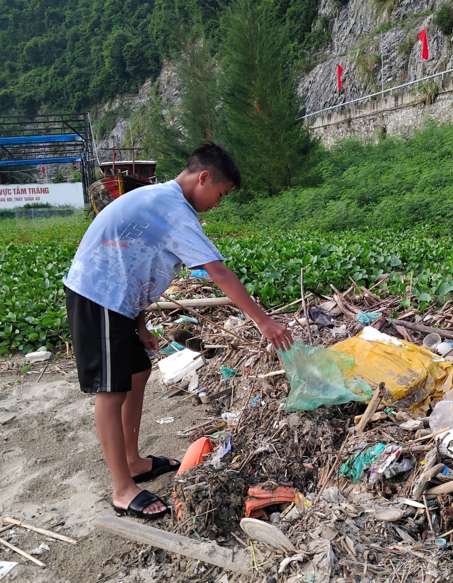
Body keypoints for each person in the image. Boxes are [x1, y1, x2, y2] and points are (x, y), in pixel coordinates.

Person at [63, 143, 293, 519]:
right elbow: (217, 272)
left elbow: (133, 257)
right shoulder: (173, 208)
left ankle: (134, 461)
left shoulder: (160, 200)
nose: (217, 204)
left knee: (138, 370)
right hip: (97, 295)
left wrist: (139, 321)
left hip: (119, 302)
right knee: (111, 390)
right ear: (203, 178)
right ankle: (122, 489)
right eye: (219, 194)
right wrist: (265, 322)